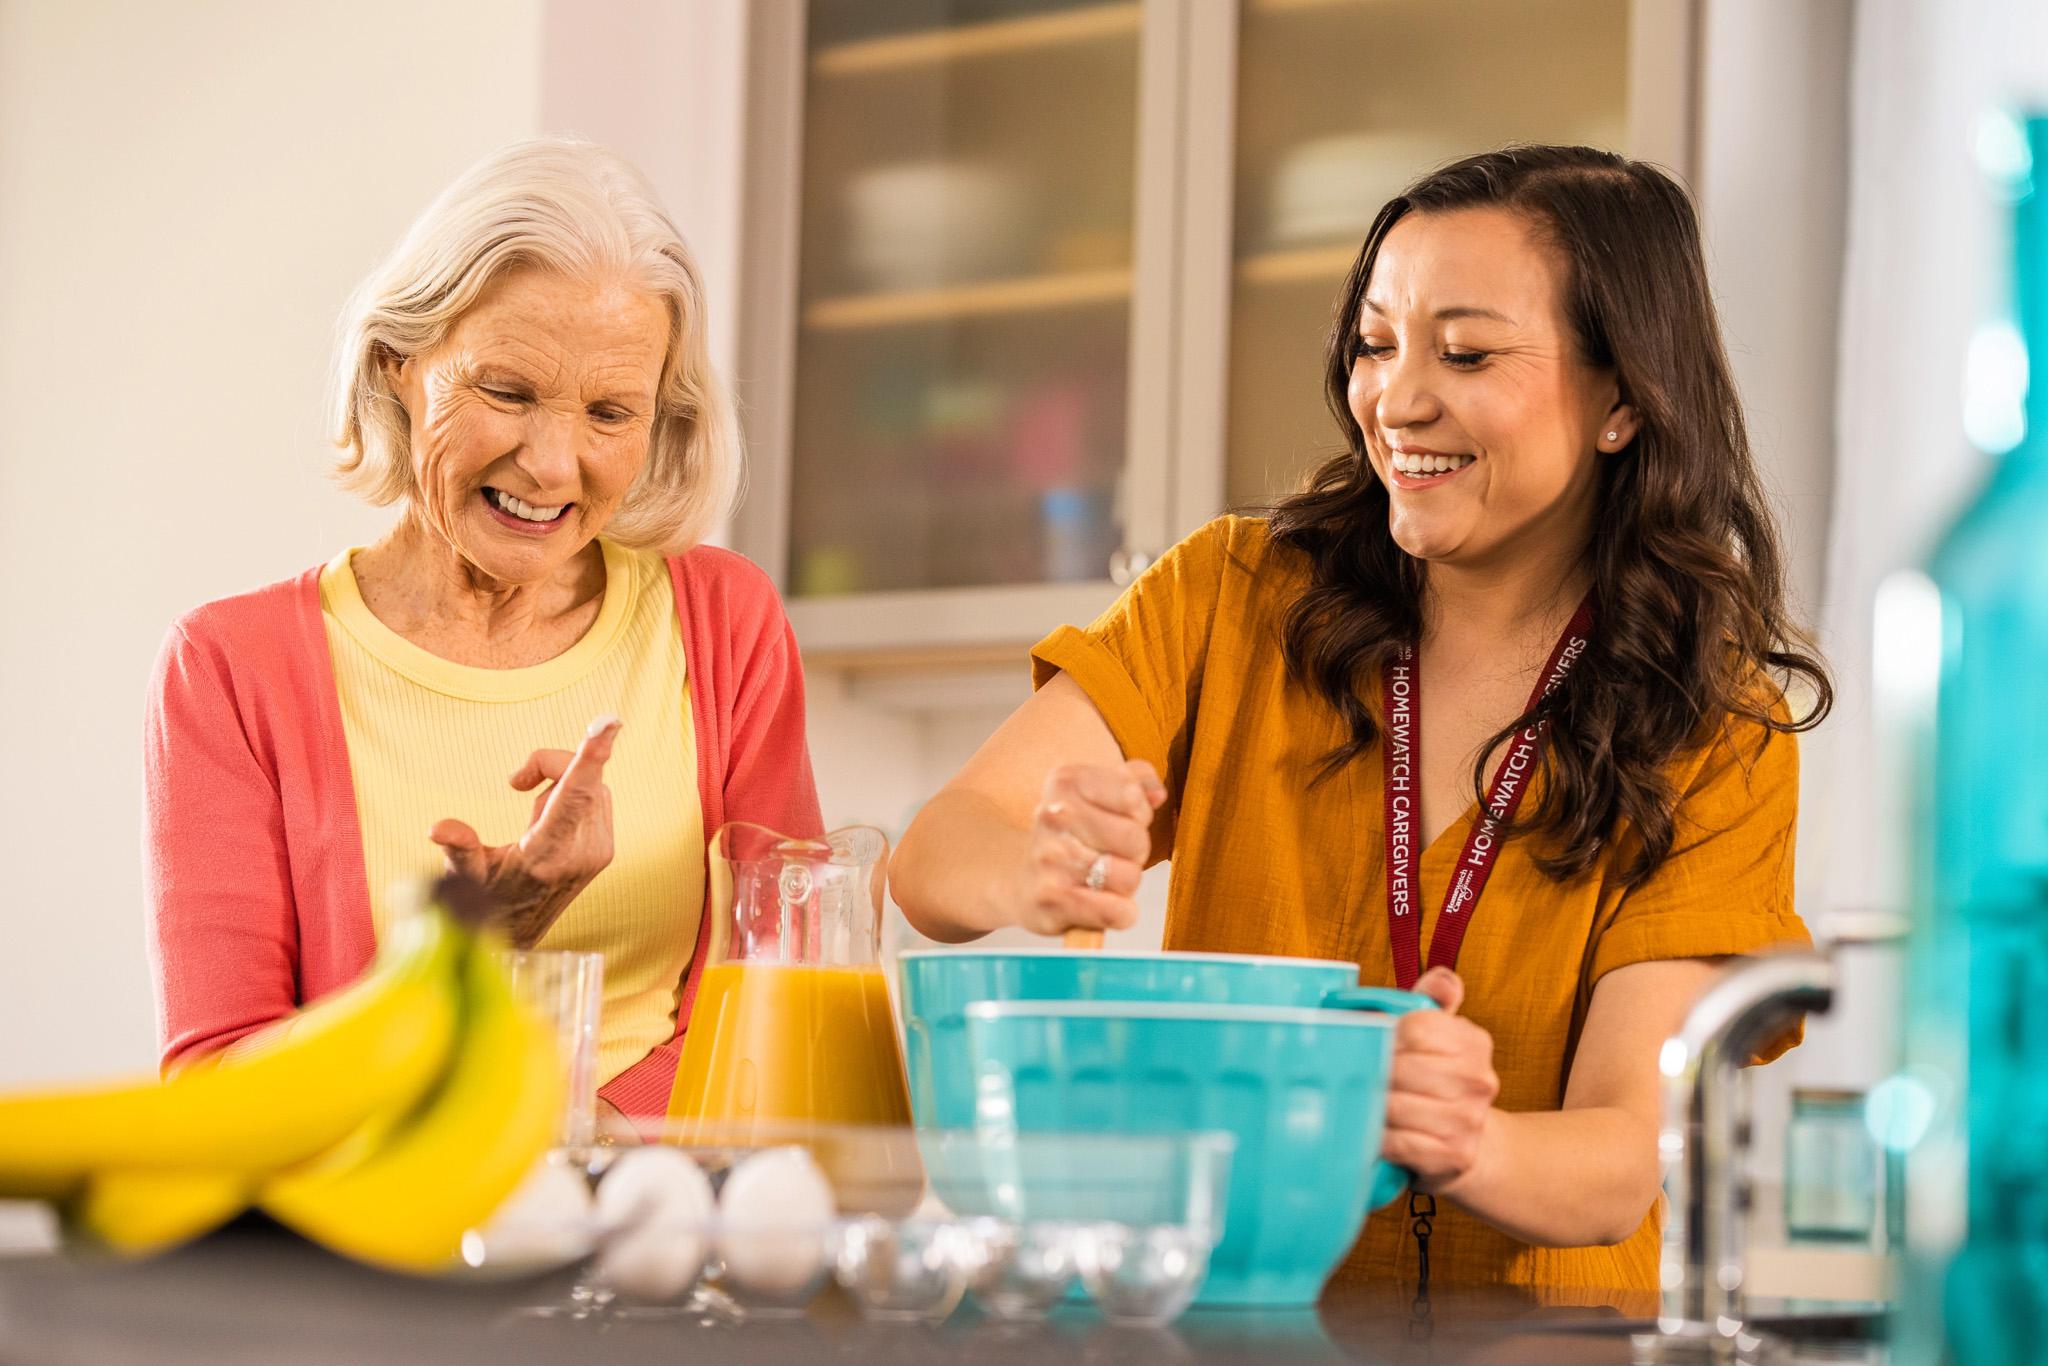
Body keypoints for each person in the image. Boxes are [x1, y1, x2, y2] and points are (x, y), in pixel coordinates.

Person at [890, 145, 1831, 1299]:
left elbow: (1623, 1152)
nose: (1394, 398)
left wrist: (1458, 1132)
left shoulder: (1713, 718)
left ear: (1622, 399)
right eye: (1375, 345)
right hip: (1241, 1321)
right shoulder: (1231, 593)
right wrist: (1029, 865)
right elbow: (936, 859)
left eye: (1466, 352)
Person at [144, 138, 819, 1128]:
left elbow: (782, 998)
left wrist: (582, 1161)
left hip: (662, 1221)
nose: (551, 464)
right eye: (506, 391)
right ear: (399, 368)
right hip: (374, 1242)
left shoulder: (723, 623)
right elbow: (215, 1082)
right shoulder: (230, 667)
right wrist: (466, 957)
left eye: (608, 411)